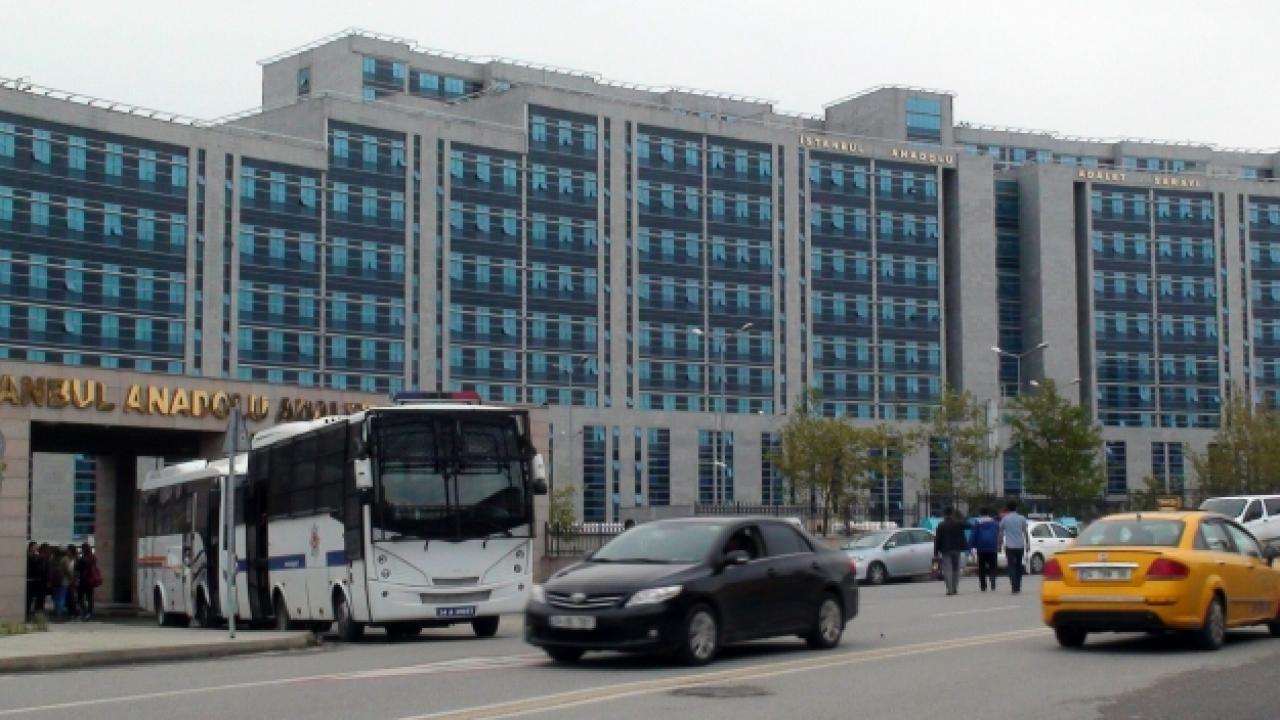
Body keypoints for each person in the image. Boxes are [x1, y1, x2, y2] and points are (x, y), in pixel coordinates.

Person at [933, 507, 969, 596]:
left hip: (945, 550)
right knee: (956, 569)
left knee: (947, 569)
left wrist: (936, 552)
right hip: (957, 549)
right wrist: (960, 518)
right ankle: (955, 588)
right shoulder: (958, 523)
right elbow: (969, 525)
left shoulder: (941, 525)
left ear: (944, 514)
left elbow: (937, 539)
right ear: (953, 513)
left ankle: (949, 589)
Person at [999, 500, 1032, 594]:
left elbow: (1000, 532)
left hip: (1009, 546)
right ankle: (1018, 585)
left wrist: (1000, 543)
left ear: (1007, 509)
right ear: (1016, 508)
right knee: (1018, 565)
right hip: (1020, 545)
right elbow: (1025, 532)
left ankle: (1013, 585)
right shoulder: (1022, 518)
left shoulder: (1005, 519)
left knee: (1011, 565)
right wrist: (1027, 543)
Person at [970, 508, 1001, 592]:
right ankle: (992, 577)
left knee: (982, 567)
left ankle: (983, 586)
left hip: (981, 547)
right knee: (993, 565)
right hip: (992, 547)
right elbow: (998, 534)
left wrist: (971, 545)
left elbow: (973, 535)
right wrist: (998, 544)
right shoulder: (995, 523)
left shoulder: (977, 523)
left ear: (980, 514)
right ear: (988, 514)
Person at [75, 542, 101, 621]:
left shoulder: (83, 559)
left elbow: (77, 568)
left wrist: (77, 559)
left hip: (84, 580)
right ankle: (89, 613)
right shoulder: (93, 557)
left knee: (80, 598)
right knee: (89, 597)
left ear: (83, 549)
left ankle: (85, 612)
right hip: (90, 580)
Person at [25, 542, 43, 620]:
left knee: (32, 599)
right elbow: (34, 567)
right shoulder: (28, 557)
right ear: (31, 547)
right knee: (28, 599)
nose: (36, 548)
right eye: (35, 547)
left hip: (34, 580)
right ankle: (26, 614)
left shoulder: (35, 556)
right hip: (29, 580)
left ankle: (29, 613)